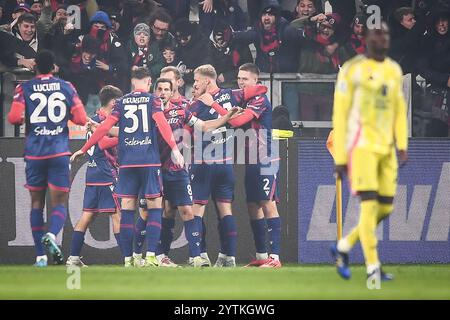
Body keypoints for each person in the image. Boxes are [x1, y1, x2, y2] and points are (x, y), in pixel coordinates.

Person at [71, 67, 184, 268]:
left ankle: (128, 259)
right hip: (148, 162)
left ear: (132, 82)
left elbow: (105, 128)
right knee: (155, 207)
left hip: (127, 163)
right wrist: (175, 148)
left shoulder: (122, 102)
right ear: (149, 82)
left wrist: (83, 148)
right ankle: (150, 256)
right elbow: (163, 123)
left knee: (127, 209)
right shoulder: (152, 100)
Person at [330, 22, 408, 283]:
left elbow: (398, 109)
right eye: (377, 34)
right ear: (365, 39)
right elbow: (340, 115)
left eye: (386, 33)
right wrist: (341, 157)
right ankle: (373, 267)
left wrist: (402, 144)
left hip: (387, 149)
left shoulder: (394, 70)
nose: (382, 38)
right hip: (361, 147)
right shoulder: (352, 70)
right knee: (369, 205)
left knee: (385, 208)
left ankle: (343, 247)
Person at [7, 50, 88, 267]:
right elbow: (80, 119)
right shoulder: (66, 87)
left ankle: (40, 256)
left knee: (36, 203)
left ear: (35, 67)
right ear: (53, 67)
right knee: (59, 201)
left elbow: (14, 118)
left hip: (34, 153)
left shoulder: (24, 88)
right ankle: (52, 235)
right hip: (59, 152)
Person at [198, 63, 282, 268]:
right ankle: (262, 257)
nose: (240, 82)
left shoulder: (260, 100)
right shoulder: (244, 96)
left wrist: (213, 105)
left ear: (255, 80)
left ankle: (276, 258)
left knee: (267, 204)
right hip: (251, 159)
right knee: (253, 206)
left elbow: (236, 122)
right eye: (239, 78)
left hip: (265, 158)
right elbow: (225, 93)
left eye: (245, 79)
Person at [66, 85, 124, 267]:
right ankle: (129, 259)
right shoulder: (100, 121)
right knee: (117, 215)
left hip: (93, 174)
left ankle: (73, 257)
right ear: (114, 103)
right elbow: (104, 143)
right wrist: (127, 135)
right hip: (105, 173)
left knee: (87, 216)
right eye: (119, 103)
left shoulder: (97, 120)